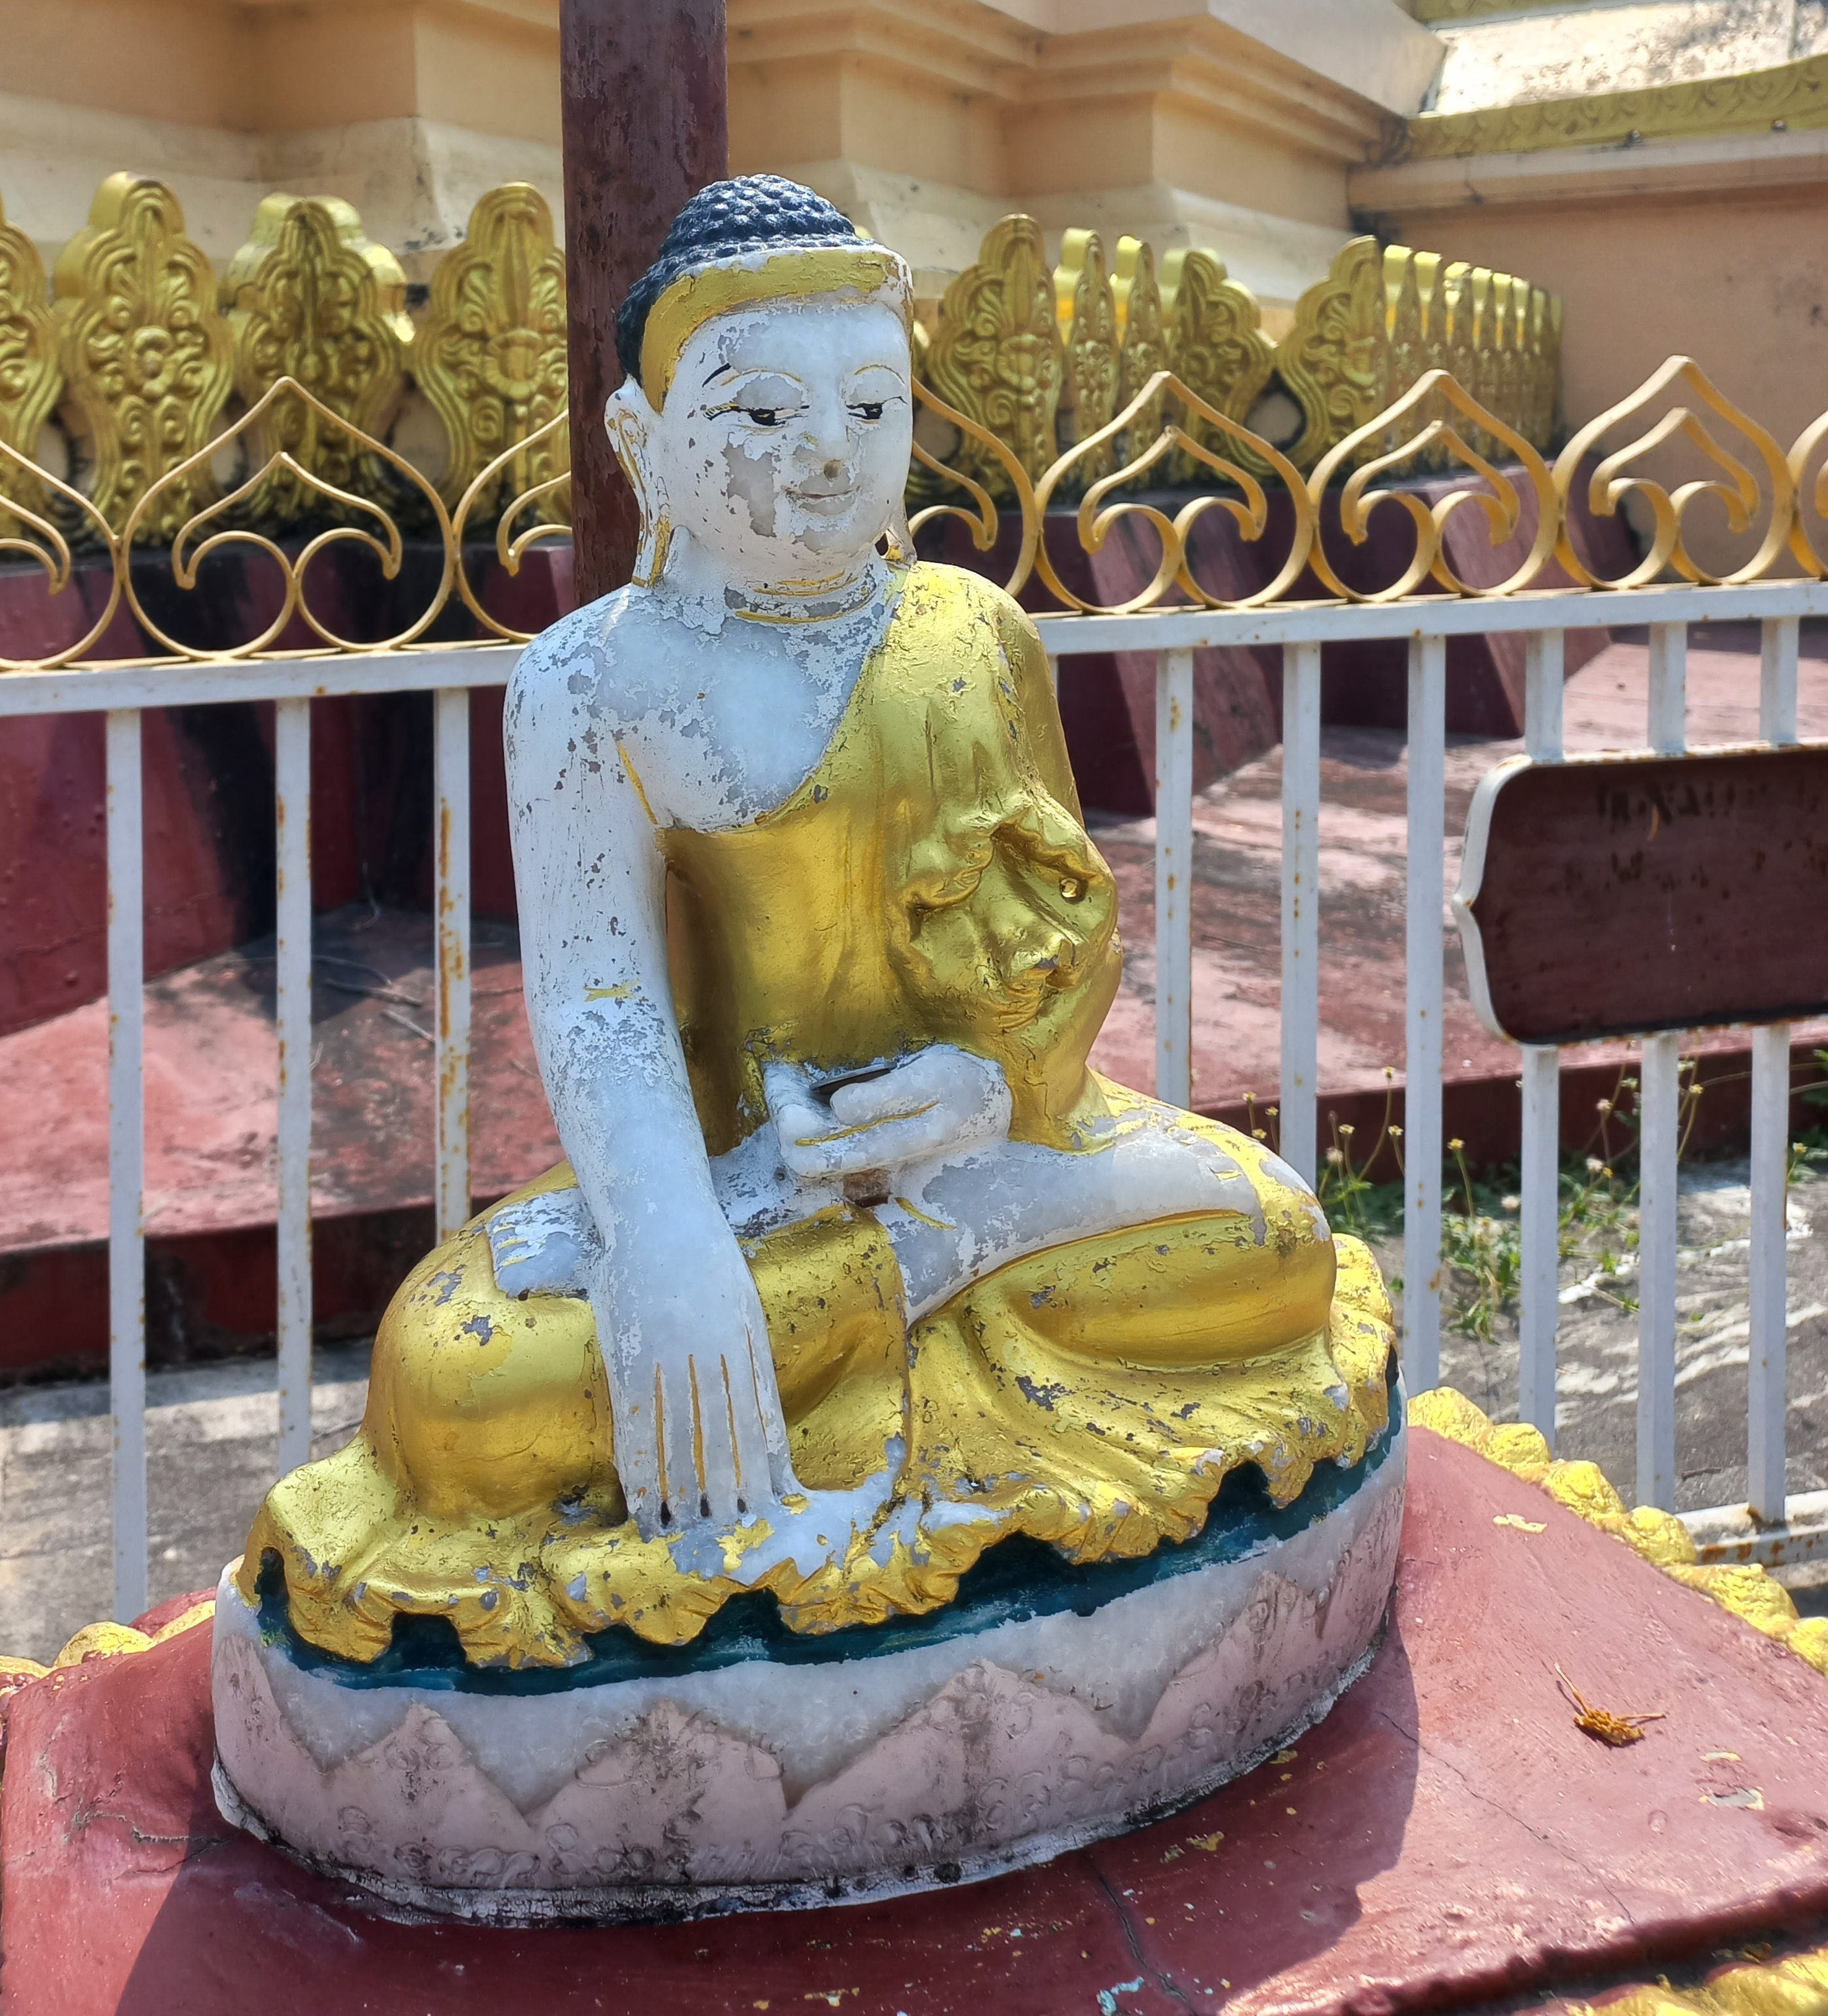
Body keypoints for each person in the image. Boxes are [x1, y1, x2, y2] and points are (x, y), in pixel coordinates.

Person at [238, 179, 1391, 1669]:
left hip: (992, 1160)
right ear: (642, 445)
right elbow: (598, 1000)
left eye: (868, 406)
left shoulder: (971, 632)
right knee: (461, 1382)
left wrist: (988, 1084)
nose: (825, 459)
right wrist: (666, 1243)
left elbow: (1058, 928)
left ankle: (909, 1279)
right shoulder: (594, 683)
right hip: (737, 1177)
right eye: (764, 416)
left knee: (1273, 1239)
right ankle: (866, 1304)